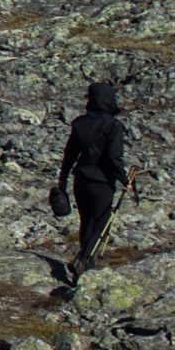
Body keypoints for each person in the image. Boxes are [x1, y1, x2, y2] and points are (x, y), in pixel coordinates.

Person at [58, 81, 130, 276]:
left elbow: (70, 154)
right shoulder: (113, 125)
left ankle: (84, 264)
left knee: (86, 220)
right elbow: (114, 158)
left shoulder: (80, 123)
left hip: (80, 179)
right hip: (102, 182)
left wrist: (62, 180)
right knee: (101, 222)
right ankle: (84, 259)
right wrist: (125, 180)